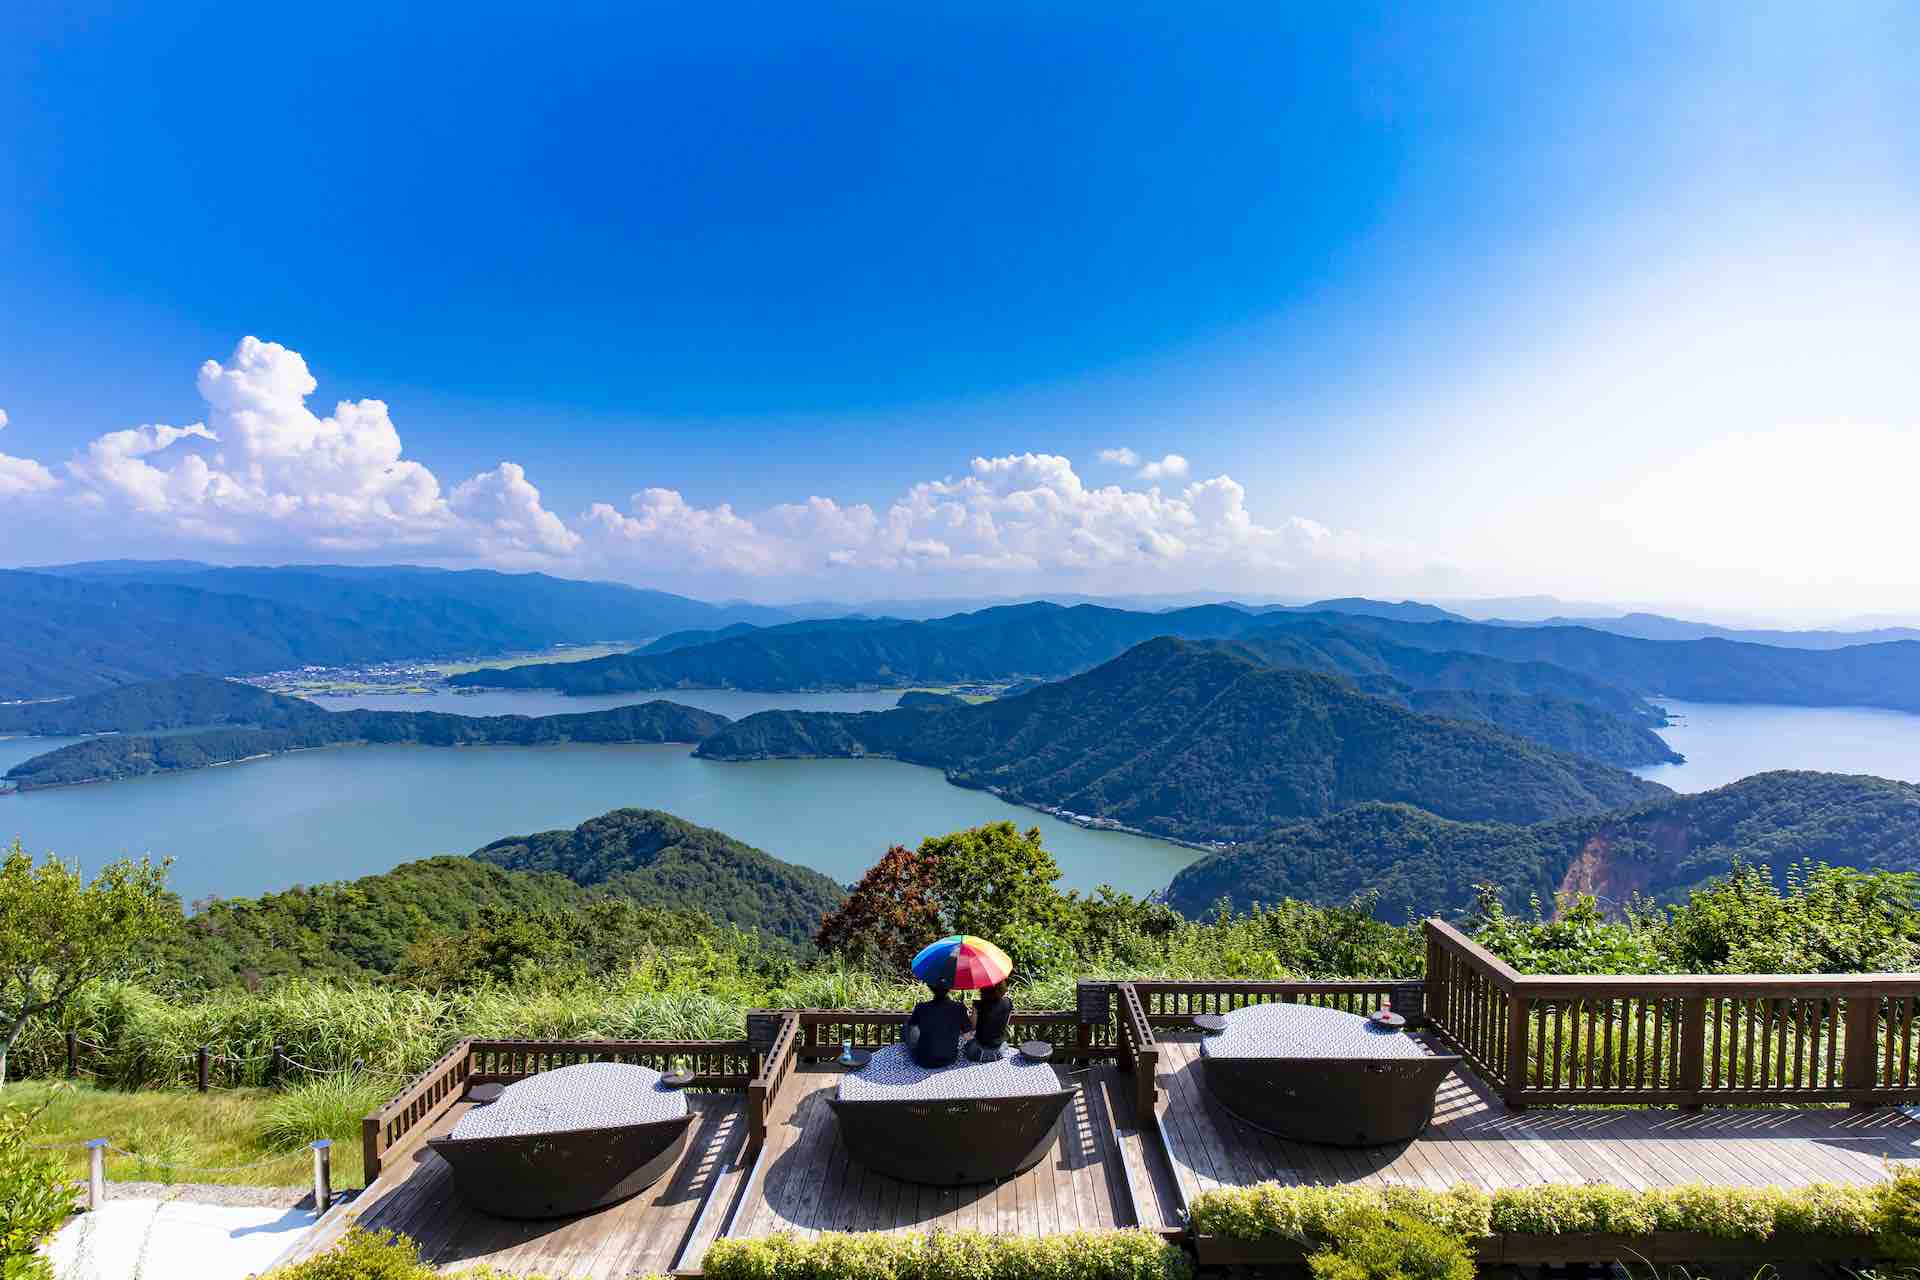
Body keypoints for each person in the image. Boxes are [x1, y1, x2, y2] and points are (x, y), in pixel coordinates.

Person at [903, 979, 971, 1069]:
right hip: (949, 1059)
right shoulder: (959, 1007)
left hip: (924, 1059)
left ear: (931, 989)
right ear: (949, 989)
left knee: (907, 1025)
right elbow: (967, 1035)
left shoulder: (921, 1007)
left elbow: (912, 1025)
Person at [964, 979, 1014, 1061]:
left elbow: (972, 1027)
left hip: (979, 1052)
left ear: (983, 988)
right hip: (1000, 1051)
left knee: (965, 1041)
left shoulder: (978, 1005)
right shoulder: (1008, 1002)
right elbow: (1006, 1023)